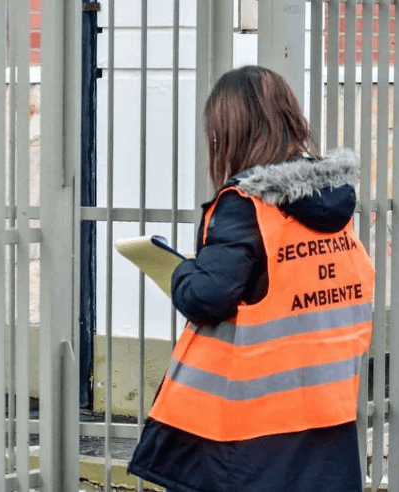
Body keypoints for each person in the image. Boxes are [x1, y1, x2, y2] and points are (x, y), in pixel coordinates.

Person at [127, 65, 375, 492]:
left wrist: (182, 268)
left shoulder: (245, 205)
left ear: (230, 132)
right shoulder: (335, 204)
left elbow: (206, 299)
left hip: (251, 434)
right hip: (325, 415)